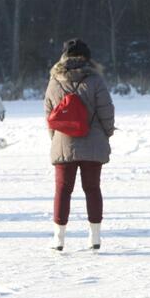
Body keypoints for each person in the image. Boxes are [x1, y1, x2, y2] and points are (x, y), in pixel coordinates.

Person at [44, 38, 115, 252]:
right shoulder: (95, 80)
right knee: (92, 188)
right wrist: (106, 133)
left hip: (64, 140)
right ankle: (95, 237)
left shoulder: (55, 80)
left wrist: (55, 137)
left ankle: (59, 239)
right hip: (93, 142)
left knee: (62, 190)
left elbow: (49, 112)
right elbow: (106, 110)